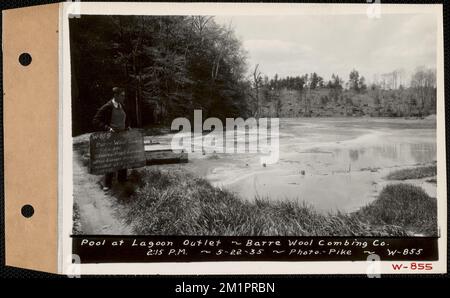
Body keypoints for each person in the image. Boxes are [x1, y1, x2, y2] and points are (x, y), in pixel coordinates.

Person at [92, 87, 131, 191]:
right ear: (116, 95)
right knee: (111, 159)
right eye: (122, 95)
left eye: (124, 95)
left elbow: (125, 118)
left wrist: (127, 126)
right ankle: (107, 184)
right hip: (111, 137)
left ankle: (122, 180)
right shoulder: (108, 106)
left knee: (123, 158)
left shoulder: (122, 106)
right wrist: (107, 128)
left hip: (122, 136)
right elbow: (96, 120)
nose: (124, 97)